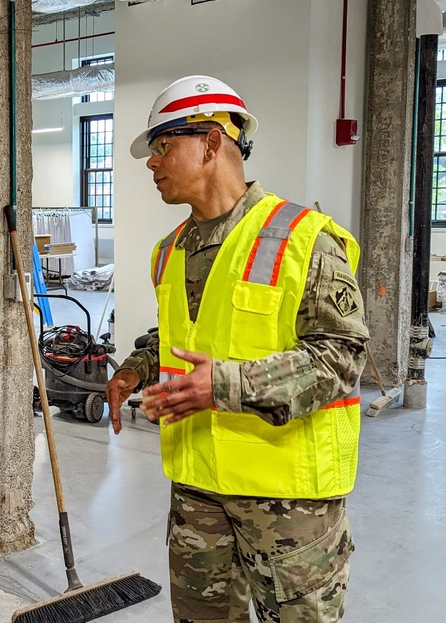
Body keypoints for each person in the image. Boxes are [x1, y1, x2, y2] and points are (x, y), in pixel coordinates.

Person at [105, 75, 367, 622]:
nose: (151, 163)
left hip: (289, 501)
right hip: (198, 490)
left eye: (162, 146)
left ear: (212, 141)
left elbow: (341, 358)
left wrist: (225, 386)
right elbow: (184, 336)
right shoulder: (169, 251)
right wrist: (136, 368)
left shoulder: (304, 239)